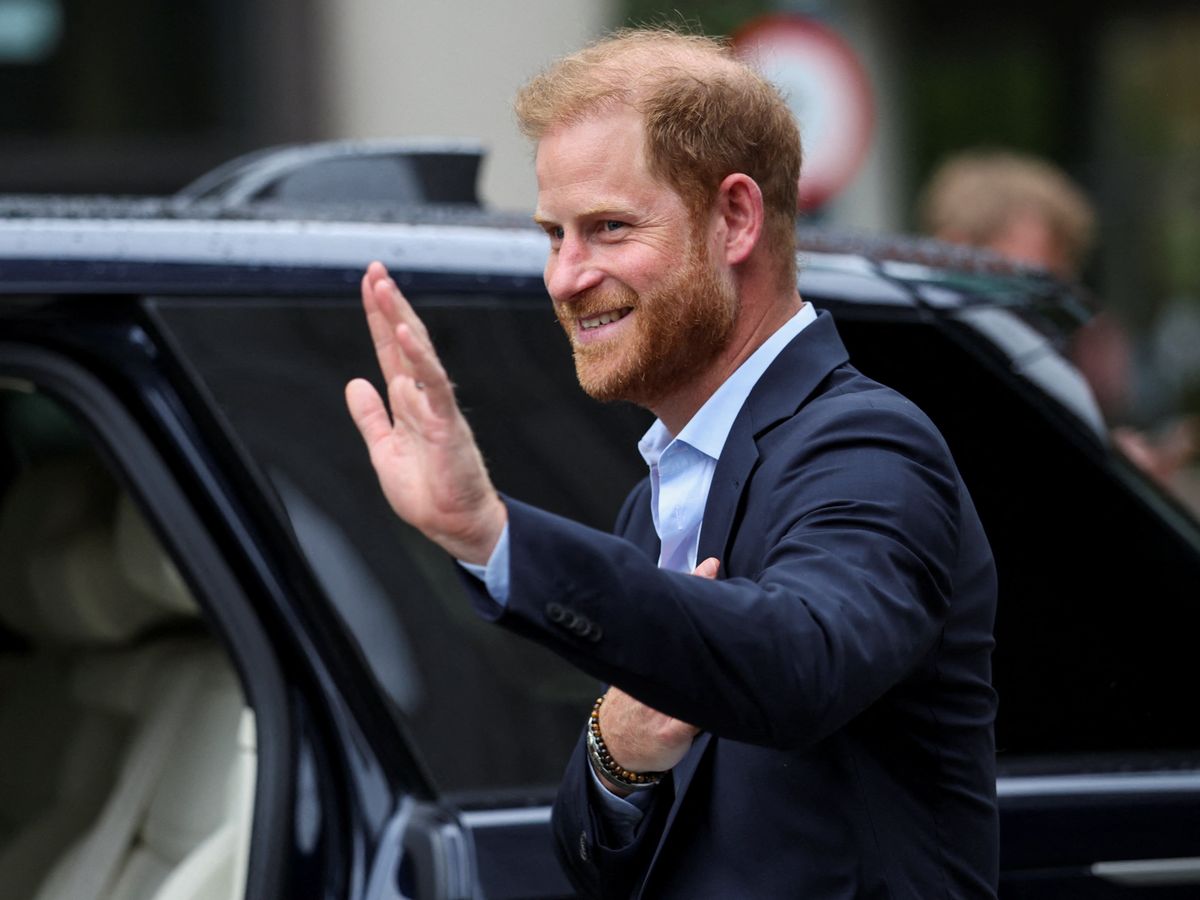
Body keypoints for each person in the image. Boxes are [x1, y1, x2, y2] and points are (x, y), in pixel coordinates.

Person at [346, 29, 998, 898]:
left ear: (735, 217)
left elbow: (798, 663)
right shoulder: (653, 502)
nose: (565, 277)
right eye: (554, 235)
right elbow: (592, 857)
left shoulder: (867, 447)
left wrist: (492, 535)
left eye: (609, 228)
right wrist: (618, 759)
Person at [919, 149, 1197, 490]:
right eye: (1031, 279)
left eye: (1058, 282)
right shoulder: (918, 361)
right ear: (955, 248)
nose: (1045, 305)